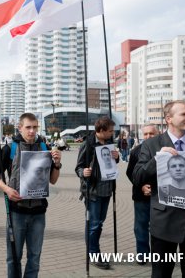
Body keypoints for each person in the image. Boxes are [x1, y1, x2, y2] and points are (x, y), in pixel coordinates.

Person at [133, 100, 185, 277]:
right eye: (184, 114)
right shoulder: (151, 145)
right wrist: (157, 160)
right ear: (168, 118)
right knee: (161, 274)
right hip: (164, 224)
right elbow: (138, 177)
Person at [0, 113, 62, 278]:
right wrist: (6, 189)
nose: (31, 131)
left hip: (38, 213)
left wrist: (57, 164)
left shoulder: (44, 148)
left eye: (35, 127)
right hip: (16, 212)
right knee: (14, 257)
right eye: (28, 127)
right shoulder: (10, 149)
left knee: (34, 258)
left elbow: (53, 180)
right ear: (20, 128)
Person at [75, 116, 119, 270]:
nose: (112, 133)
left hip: (107, 189)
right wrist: (83, 172)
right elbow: (78, 167)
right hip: (93, 191)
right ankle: (93, 253)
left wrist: (117, 157)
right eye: (110, 131)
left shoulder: (109, 143)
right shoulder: (88, 144)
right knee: (94, 224)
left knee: (99, 223)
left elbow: (112, 163)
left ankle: (93, 250)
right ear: (100, 131)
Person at [126, 123, 159, 264]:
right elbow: (130, 173)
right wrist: (141, 187)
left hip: (160, 196)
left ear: (158, 133)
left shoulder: (165, 150)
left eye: (151, 133)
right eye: (145, 134)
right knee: (140, 227)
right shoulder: (136, 152)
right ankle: (143, 255)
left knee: (159, 227)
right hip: (141, 197)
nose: (148, 136)